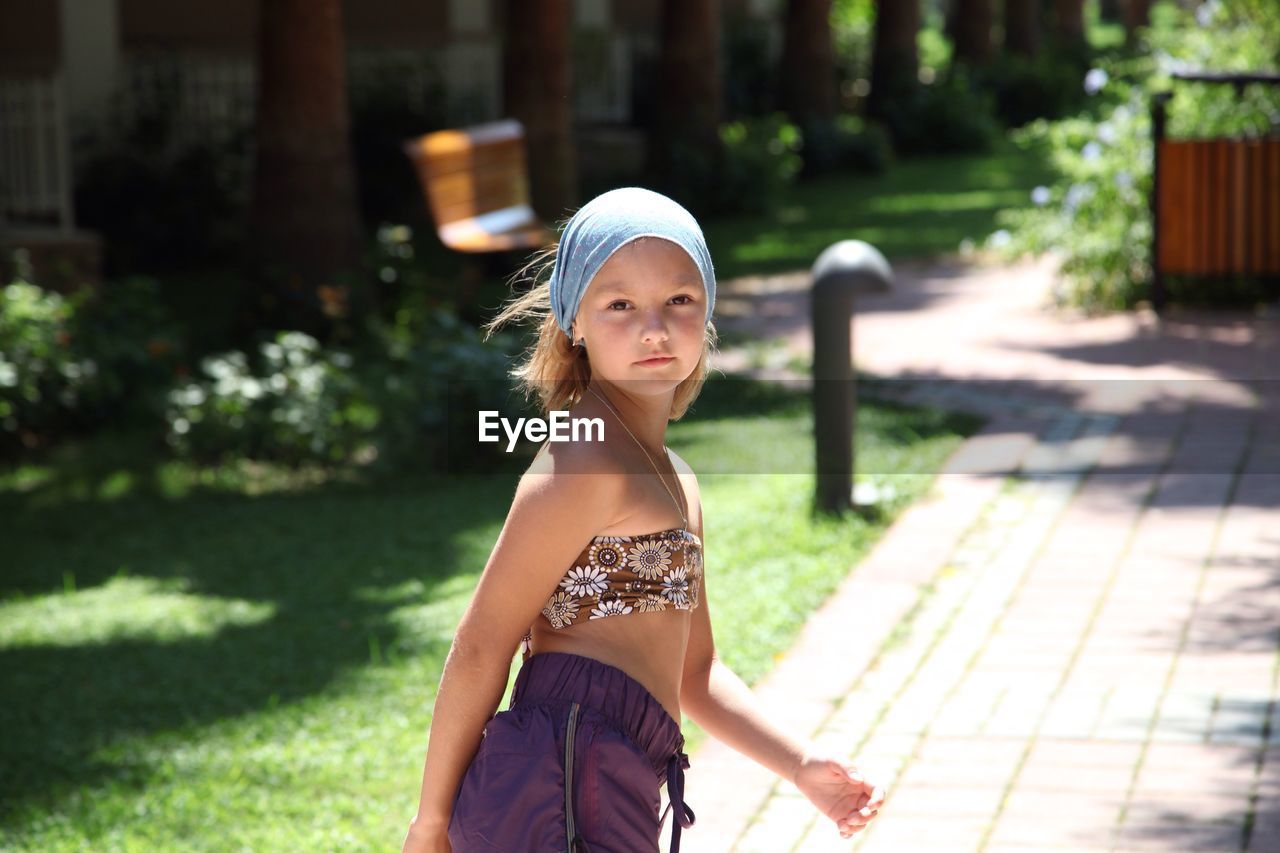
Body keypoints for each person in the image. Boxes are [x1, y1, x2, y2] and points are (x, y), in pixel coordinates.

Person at [401, 187, 885, 852]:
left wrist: (801, 766)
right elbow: (481, 643)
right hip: (558, 785)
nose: (653, 328)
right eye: (620, 304)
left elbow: (696, 671)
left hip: (619, 777)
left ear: (707, 308)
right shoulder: (583, 461)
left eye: (679, 299)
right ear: (575, 321)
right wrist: (429, 823)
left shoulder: (675, 479)